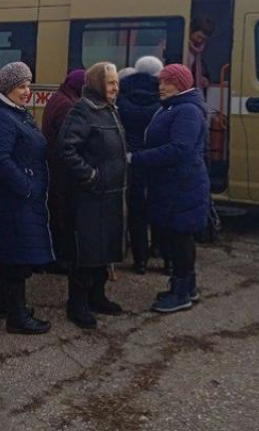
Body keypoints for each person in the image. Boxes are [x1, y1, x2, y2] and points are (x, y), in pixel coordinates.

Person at [131, 64, 209, 314]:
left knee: (180, 238)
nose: (161, 86)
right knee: (178, 237)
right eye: (161, 81)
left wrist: (137, 158)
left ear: (181, 85)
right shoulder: (176, 107)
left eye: (168, 82)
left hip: (181, 184)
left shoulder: (186, 111)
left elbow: (180, 149)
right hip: (174, 183)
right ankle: (187, 287)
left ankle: (181, 293)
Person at [0, 62, 53, 335]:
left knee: (13, 252)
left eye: (28, 85)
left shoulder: (13, 111)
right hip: (14, 198)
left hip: (22, 196)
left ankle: (5, 305)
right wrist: (25, 186)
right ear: (7, 87)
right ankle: (17, 316)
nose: (27, 91)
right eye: (22, 86)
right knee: (16, 256)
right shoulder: (0, 116)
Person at [57, 63, 127, 330]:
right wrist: (91, 176)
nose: (115, 88)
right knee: (86, 253)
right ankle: (77, 304)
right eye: (110, 83)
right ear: (98, 84)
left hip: (110, 196)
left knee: (105, 249)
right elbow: (67, 150)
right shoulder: (82, 110)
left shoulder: (110, 110)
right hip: (90, 197)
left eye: (117, 83)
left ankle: (98, 296)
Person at [118, 56, 163, 275]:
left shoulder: (122, 97)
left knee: (137, 213)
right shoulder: (162, 100)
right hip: (156, 161)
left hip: (131, 159)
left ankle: (140, 261)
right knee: (160, 207)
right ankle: (162, 253)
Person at [41, 69, 85, 270]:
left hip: (54, 163)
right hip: (60, 167)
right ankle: (58, 257)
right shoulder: (68, 105)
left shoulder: (59, 98)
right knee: (61, 211)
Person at [189, 16, 216, 95]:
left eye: (203, 39)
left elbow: (200, 69)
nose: (199, 40)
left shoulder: (198, 52)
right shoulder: (180, 46)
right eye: (199, 36)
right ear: (191, 30)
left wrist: (204, 78)